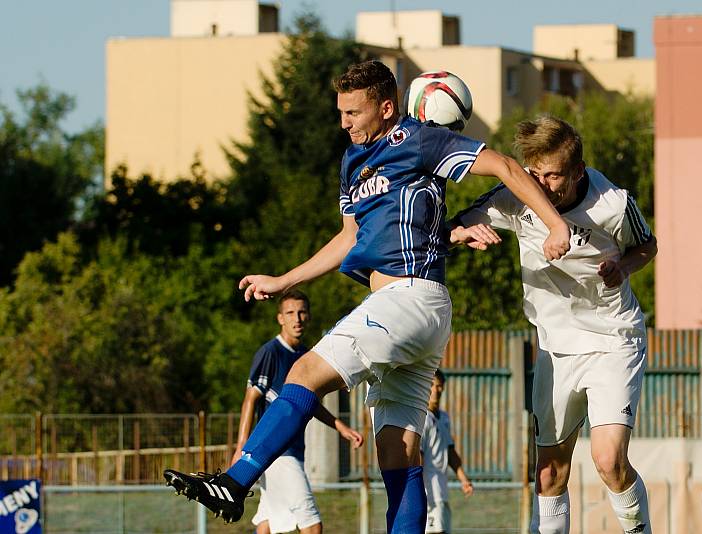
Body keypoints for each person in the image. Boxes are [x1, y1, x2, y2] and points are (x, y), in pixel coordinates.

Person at [164, 59, 570, 532]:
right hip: (414, 309)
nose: (344, 123)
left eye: (354, 113)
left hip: (408, 299)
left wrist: (555, 223)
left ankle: (235, 481)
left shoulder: (417, 139)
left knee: (304, 371)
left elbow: (502, 164)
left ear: (386, 107)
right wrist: (283, 281)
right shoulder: (353, 161)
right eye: (340, 112)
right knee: (397, 457)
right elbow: (347, 240)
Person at [450, 115, 657, 534]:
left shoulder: (613, 204)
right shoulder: (517, 198)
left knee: (608, 461)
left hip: (612, 339)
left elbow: (647, 245)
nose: (542, 185)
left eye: (553, 175)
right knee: (547, 475)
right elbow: (456, 222)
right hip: (556, 348)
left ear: (578, 171)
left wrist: (622, 263)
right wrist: (461, 234)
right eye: (534, 174)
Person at [233, 290, 363, 534]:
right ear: (280, 318)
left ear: (309, 316)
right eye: (290, 313)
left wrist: (340, 426)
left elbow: (308, 402)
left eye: (302, 312)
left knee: (267, 522)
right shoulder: (270, 352)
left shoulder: (306, 356)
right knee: (312, 525)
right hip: (278, 452)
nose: (297, 318)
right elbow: (250, 399)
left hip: (289, 451)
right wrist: (241, 447)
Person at [420, 370, 473, 534]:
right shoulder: (422, 418)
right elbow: (417, 457)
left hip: (441, 492)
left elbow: (450, 451)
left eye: (439, 386)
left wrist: (464, 480)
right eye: (432, 386)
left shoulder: (444, 417)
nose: (436, 391)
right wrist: (416, 491)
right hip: (428, 494)